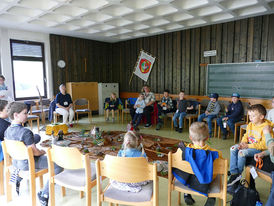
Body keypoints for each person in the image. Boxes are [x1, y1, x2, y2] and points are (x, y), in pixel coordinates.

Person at [4, 102, 63, 206]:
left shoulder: (7, 131)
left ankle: (18, 177)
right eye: (25, 113)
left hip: (16, 163)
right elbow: (35, 152)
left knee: (35, 140)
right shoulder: (25, 132)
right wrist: (42, 152)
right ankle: (44, 193)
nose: (27, 115)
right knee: (58, 164)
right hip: (27, 164)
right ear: (16, 115)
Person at [173, 122, 222, 206]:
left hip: (190, 176)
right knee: (215, 172)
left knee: (186, 169)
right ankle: (211, 197)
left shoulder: (184, 151)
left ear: (190, 138)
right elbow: (223, 165)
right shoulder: (215, 153)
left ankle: (186, 193)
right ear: (207, 138)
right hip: (207, 179)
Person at [228, 104, 273, 188]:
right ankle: (234, 173)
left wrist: (247, 146)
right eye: (249, 116)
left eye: (253, 116)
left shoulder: (266, 127)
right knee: (233, 148)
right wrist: (242, 143)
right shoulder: (250, 124)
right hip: (249, 145)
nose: (250, 118)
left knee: (241, 152)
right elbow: (246, 135)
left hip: (259, 149)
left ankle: (238, 174)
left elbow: (264, 145)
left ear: (261, 116)